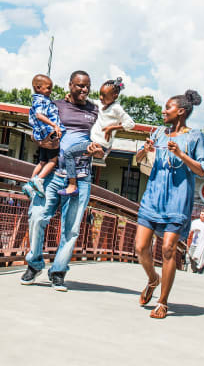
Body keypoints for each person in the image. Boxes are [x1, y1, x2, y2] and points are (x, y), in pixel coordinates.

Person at [20, 70, 104, 291]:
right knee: (37, 217)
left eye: (87, 86)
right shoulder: (55, 105)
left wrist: (100, 151)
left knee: (71, 228)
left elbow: (105, 143)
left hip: (82, 176)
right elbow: (37, 129)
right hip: (54, 173)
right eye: (79, 85)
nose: (84, 90)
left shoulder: (95, 111)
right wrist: (40, 139)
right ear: (70, 85)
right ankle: (35, 263)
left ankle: (57, 272)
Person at [135, 90, 204, 319]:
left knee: (168, 250)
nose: (163, 111)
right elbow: (139, 161)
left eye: (168, 108)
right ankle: (152, 279)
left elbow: (202, 170)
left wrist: (182, 155)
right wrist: (144, 151)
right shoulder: (158, 133)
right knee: (140, 247)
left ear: (181, 111)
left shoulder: (195, 137)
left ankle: (163, 302)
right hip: (152, 197)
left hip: (177, 201)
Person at [58, 77, 135, 196]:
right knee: (77, 157)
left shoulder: (116, 109)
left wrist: (113, 127)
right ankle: (74, 182)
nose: (100, 97)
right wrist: (70, 96)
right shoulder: (100, 104)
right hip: (92, 141)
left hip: (99, 144)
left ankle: (72, 185)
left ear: (114, 96)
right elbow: (88, 100)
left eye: (104, 95)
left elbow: (131, 124)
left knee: (68, 153)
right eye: (100, 94)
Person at [22, 74, 66, 199]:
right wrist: (54, 125)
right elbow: (39, 115)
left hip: (42, 134)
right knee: (52, 161)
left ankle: (30, 184)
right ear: (38, 88)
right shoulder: (40, 100)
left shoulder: (40, 99)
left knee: (42, 162)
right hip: (49, 133)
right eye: (48, 88)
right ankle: (39, 180)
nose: (50, 91)